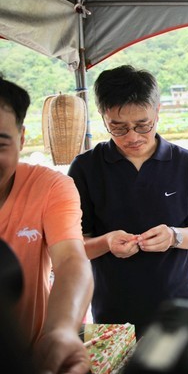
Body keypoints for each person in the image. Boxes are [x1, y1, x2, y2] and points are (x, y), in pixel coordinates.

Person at [68, 65, 188, 338]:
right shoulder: (86, 168)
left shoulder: (185, 163)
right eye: (118, 127)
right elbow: (72, 248)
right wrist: (105, 243)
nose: (132, 137)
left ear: (157, 111)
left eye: (143, 125)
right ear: (103, 117)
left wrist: (174, 236)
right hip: (113, 314)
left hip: (181, 309)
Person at [0, 76, 93, 374]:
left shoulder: (50, 187)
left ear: (22, 139)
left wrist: (62, 331)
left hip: (34, 360)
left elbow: (70, 261)